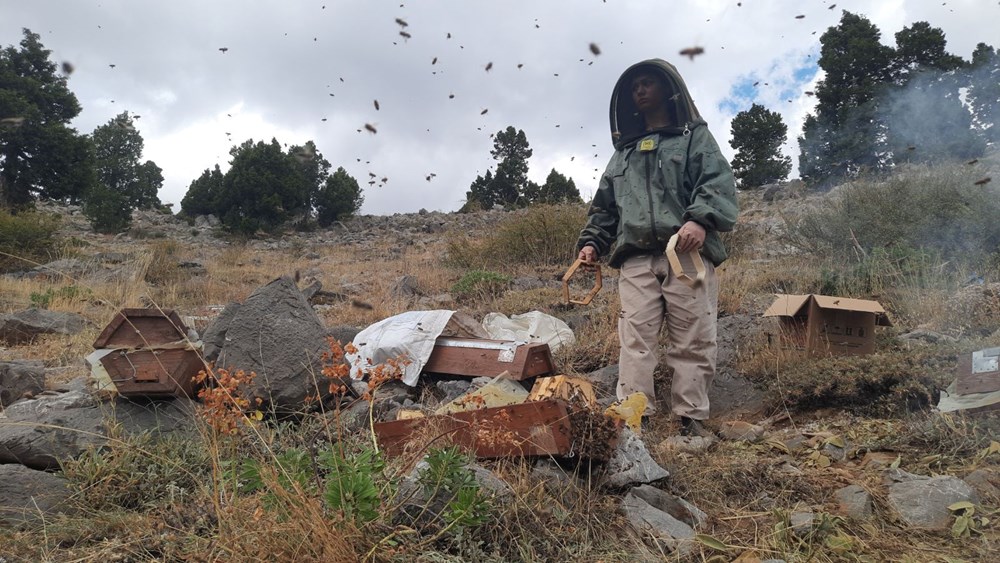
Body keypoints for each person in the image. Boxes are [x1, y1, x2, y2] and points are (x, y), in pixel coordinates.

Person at [576, 59, 738, 437]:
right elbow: (605, 206)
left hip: (685, 253)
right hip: (634, 258)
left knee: (694, 335)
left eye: (648, 83)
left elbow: (716, 181)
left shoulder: (694, 137)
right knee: (635, 338)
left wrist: (699, 219)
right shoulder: (625, 153)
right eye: (635, 87)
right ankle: (635, 417)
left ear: (667, 89)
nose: (640, 90)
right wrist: (591, 242)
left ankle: (691, 418)